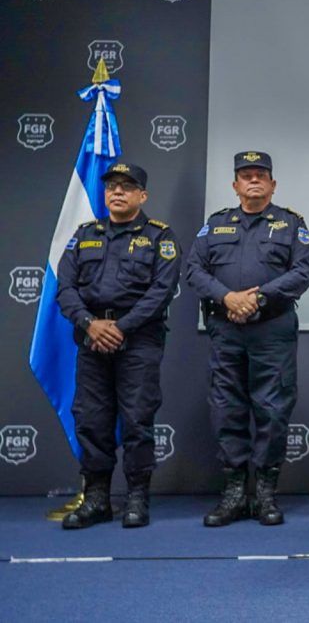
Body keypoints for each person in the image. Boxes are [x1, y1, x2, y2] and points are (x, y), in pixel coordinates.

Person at [184, 151, 309, 527]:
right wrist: (227, 298)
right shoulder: (216, 225)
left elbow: (302, 272)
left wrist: (257, 298)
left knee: (272, 411)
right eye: (246, 175)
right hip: (226, 330)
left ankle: (266, 492)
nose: (253, 180)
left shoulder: (291, 225)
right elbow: (194, 269)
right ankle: (235, 492)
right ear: (235, 185)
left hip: (272, 331)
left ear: (272, 184)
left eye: (260, 175)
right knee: (227, 409)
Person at [56, 162, 181, 529]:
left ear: (142, 195)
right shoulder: (84, 235)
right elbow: (65, 288)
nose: (118, 192)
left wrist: (121, 328)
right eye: (112, 186)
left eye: (127, 186)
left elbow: (161, 291)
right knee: (91, 420)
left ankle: (137, 497)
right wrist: (89, 324)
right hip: (91, 337)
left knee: (137, 419)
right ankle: (97, 498)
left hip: (139, 340)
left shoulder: (160, 237)